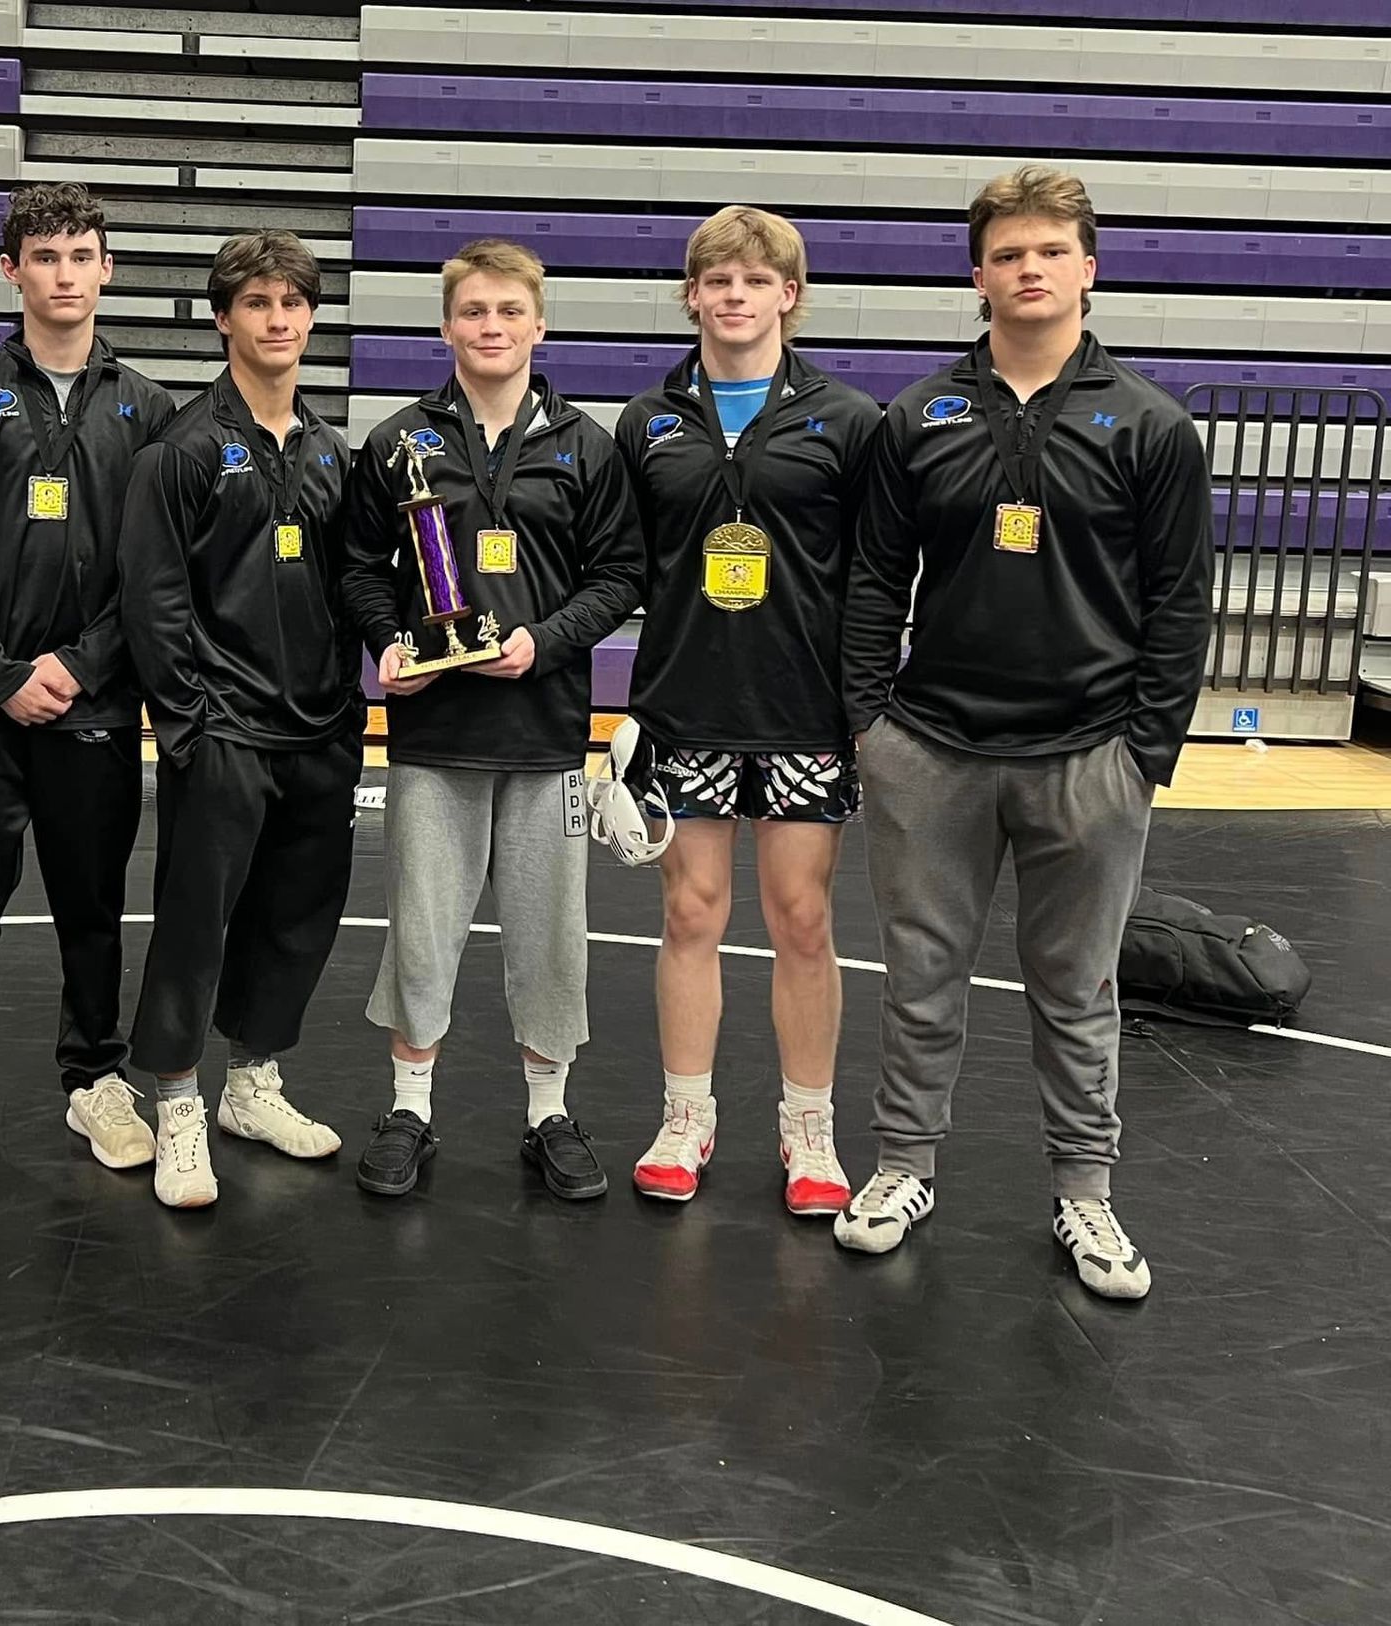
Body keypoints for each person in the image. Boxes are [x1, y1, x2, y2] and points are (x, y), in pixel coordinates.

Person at [838, 166, 1213, 1299]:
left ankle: (1086, 1193)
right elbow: (870, 584)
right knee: (921, 975)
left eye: (1052, 250)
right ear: (979, 276)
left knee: (1078, 987)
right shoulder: (923, 417)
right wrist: (871, 727)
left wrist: (1144, 756)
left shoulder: (1148, 425)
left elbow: (1180, 602)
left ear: (1089, 269)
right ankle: (904, 1165)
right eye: (1009, 254)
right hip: (933, 755)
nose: (1030, 268)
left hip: (1088, 758)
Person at [341, 238, 646, 1201]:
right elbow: (355, 566)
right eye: (473, 311)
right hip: (435, 733)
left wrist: (546, 643)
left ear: (538, 324)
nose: (491, 327)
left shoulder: (584, 447)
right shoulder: (398, 443)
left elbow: (621, 575)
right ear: (447, 325)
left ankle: (547, 1113)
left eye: (510, 311)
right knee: (422, 929)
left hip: (546, 733)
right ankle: (409, 1108)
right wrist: (391, 644)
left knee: (550, 935)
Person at [0, 182, 176, 1187]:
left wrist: (81, 664)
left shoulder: (147, 406)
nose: (62, 274)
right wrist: (3, 674)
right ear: (10, 270)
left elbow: (153, 567)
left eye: (79, 255)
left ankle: (95, 1077)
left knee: (91, 908)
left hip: (93, 705)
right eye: (43, 257)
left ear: (108, 268)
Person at [614, 206, 879, 1212]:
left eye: (755, 280)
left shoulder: (848, 421)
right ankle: (688, 1118)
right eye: (716, 279)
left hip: (804, 709)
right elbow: (619, 568)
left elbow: (874, 576)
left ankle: (809, 1130)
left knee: (803, 919)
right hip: (686, 706)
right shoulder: (649, 422)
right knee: (690, 913)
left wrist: (863, 705)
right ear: (692, 295)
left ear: (789, 295)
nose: (734, 295)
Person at [119, 230, 362, 1209]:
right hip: (222, 733)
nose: (278, 320)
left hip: (320, 731)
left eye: (293, 303)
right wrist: (189, 726)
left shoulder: (335, 453)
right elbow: (153, 598)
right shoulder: (179, 449)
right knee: (195, 924)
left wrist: (349, 714)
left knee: (295, 918)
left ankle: (252, 1085)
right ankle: (177, 1102)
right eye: (258, 303)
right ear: (224, 319)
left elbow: (355, 590)